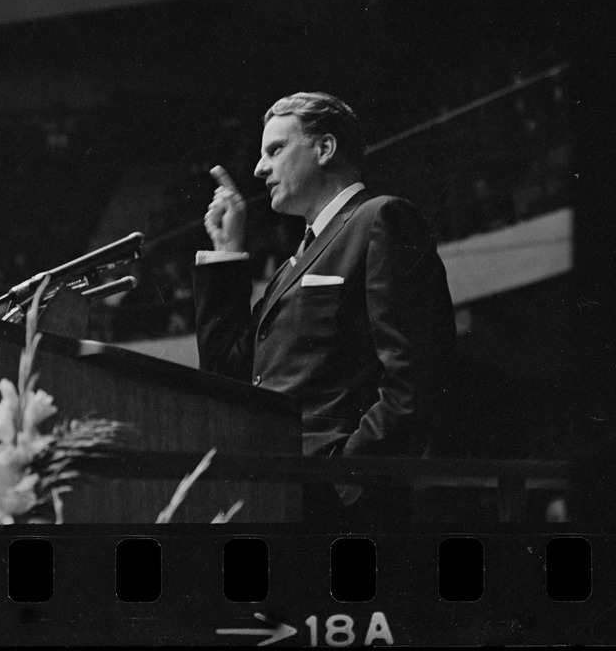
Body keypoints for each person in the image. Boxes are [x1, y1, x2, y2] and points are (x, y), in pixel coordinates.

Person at [193, 92, 456, 528]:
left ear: (325, 148)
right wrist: (226, 253)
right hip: (275, 495)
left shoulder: (381, 218)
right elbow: (228, 373)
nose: (259, 168)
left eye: (275, 150)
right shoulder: (293, 262)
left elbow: (417, 374)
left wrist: (347, 478)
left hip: (336, 506)